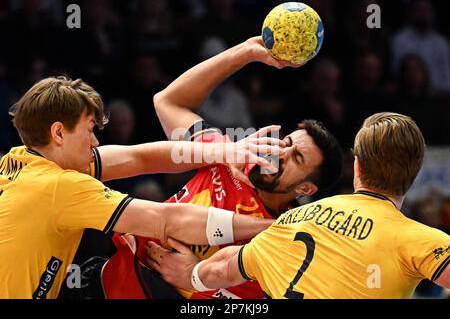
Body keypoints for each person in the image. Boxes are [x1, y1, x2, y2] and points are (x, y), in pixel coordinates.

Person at [98, 36, 343, 299]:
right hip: (110, 280)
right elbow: (169, 102)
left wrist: (196, 274)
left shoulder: (284, 239)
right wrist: (244, 53)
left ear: (306, 187)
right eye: (285, 142)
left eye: (296, 157)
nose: (280, 153)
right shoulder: (230, 155)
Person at [0, 76, 283, 299]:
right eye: (89, 130)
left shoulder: (20, 160)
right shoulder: (60, 186)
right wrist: (278, 226)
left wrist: (224, 151)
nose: (96, 143)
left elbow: (140, 157)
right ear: (59, 133)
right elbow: (167, 221)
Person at [147, 112, 450, 298]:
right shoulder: (417, 239)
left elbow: (229, 264)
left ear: (356, 167)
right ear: (413, 176)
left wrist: (192, 274)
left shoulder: (295, 219)